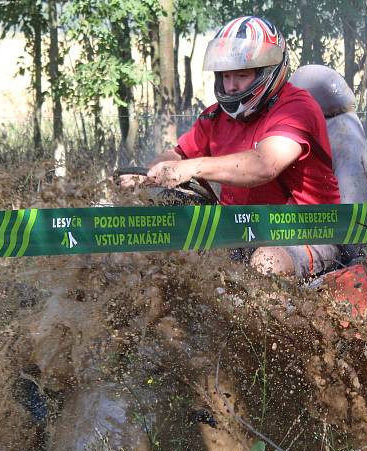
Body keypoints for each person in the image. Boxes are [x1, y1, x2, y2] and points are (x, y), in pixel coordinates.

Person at [135, 16, 342, 279]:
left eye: (242, 76)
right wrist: (148, 173)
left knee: (266, 263)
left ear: (269, 71)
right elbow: (178, 154)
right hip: (243, 230)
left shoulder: (297, 109)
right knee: (176, 252)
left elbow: (264, 165)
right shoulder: (215, 117)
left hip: (311, 231)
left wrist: (192, 167)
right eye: (225, 76)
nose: (231, 85)